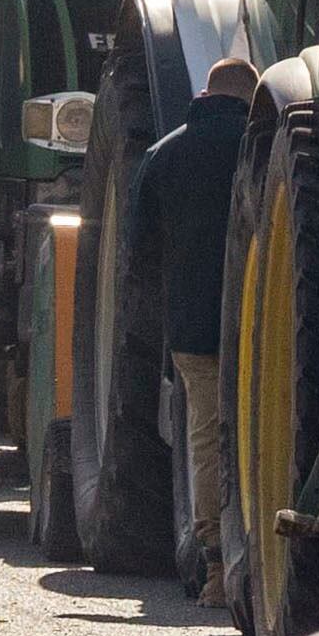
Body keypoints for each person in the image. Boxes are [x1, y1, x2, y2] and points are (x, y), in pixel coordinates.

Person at [129, 56, 258, 606]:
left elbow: (139, 250)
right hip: (257, 321)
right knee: (254, 432)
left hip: (193, 327)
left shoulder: (165, 153)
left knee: (207, 437)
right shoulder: (265, 150)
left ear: (205, 94)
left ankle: (214, 567)